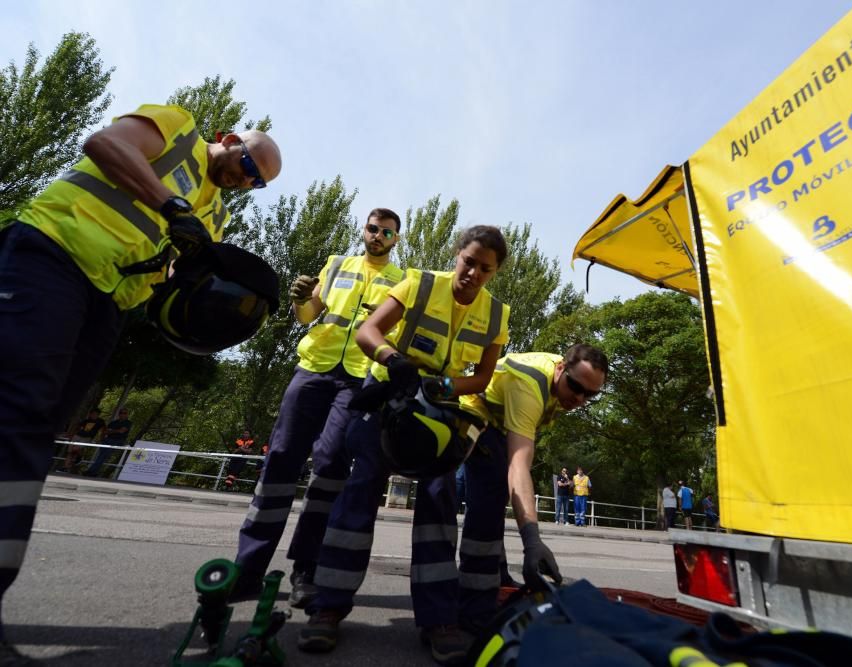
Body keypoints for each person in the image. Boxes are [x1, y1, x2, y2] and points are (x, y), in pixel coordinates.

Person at [0, 101, 281, 663]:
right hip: (52, 253)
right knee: (17, 416)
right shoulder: (177, 127)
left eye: (256, 182)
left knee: (36, 433)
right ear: (228, 138)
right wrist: (170, 204)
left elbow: (175, 276)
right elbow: (103, 143)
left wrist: (216, 301)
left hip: (107, 302)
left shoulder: (215, 216)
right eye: (248, 165)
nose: (245, 180)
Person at [298, 226, 510, 666]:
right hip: (386, 406)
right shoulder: (418, 282)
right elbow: (368, 333)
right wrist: (394, 361)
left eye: (485, 268)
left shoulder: (496, 314)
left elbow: (483, 378)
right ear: (457, 255)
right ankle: (328, 607)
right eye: (468, 261)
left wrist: (442, 385)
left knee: (439, 504)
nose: (473, 273)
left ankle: (439, 621)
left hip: (437, 414)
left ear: (495, 272)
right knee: (358, 497)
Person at [232, 210, 404, 606]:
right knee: (280, 457)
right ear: (364, 230)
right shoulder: (337, 264)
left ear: (396, 240)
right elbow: (309, 315)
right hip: (314, 367)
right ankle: (248, 567)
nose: (377, 236)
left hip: (358, 377)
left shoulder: (402, 282)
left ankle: (306, 568)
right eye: (372, 228)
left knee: (329, 463)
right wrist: (299, 301)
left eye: (386, 232)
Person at [457, 345, 609, 631]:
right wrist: (532, 541)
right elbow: (519, 466)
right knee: (489, 496)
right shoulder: (531, 384)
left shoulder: (560, 381)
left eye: (590, 395)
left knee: (499, 495)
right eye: (575, 387)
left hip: (501, 425)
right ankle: (474, 607)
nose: (579, 398)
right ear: (561, 368)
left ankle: (497, 575)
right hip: (475, 412)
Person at [84, 407, 132, 477]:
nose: (122, 414)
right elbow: (105, 432)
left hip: (117, 441)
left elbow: (122, 431)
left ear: (127, 415)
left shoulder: (128, 423)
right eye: (121, 413)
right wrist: (114, 431)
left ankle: (91, 471)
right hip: (107, 440)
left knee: (103, 456)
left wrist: (111, 431)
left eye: (124, 413)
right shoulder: (113, 422)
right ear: (119, 414)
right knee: (101, 456)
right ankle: (93, 472)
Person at [62, 409, 105, 473]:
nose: (94, 415)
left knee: (75, 449)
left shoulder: (100, 421)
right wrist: (70, 435)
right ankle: (65, 467)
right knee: (70, 451)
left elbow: (103, 430)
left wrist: (100, 439)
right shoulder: (86, 420)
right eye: (93, 414)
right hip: (78, 435)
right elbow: (77, 427)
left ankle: (79, 457)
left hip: (87, 438)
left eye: (96, 414)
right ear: (90, 414)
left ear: (98, 415)